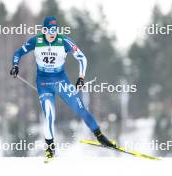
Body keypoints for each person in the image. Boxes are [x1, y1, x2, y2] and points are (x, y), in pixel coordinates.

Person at [10, 16, 115, 160]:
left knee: (81, 109)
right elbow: (18, 53)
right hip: (44, 83)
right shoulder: (36, 40)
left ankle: (100, 137)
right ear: (44, 30)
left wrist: (81, 77)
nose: (53, 33)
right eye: (50, 30)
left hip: (61, 82)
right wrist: (15, 66)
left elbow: (82, 58)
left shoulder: (64, 41)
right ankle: (50, 150)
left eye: (55, 29)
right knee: (49, 115)